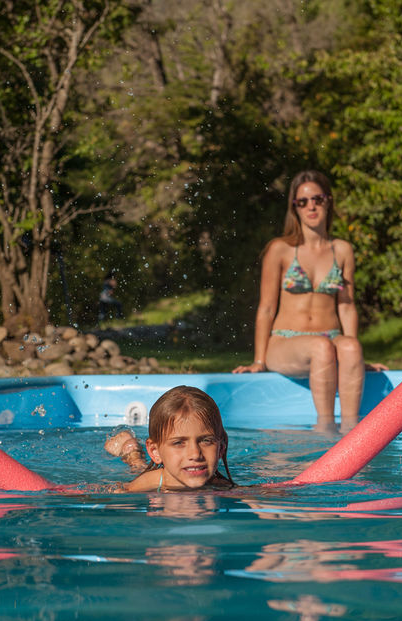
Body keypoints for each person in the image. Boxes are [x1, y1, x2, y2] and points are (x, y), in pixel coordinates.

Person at [233, 169, 376, 433]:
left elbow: (346, 305)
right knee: (320, 348)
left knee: (351, 347)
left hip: (330, 337)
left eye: (317, 199)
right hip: (286, 341)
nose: (311, 206)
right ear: (294, 207)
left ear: (328, 201)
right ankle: (325, 430)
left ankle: (352, 432)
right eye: (303, 201)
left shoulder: (342, 250)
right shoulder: (280, 249)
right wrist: (258, 360)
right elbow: (266, 308)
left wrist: (353, 357)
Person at [104, 385, 234, 492]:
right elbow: (121, 490)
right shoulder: (151, 482)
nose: (195, 454)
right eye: (178, 442)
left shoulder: (222, 486)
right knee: (138, 467)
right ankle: (132, 450)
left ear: (220, 448)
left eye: (206, 441)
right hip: (153, 476)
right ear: (155, 451)